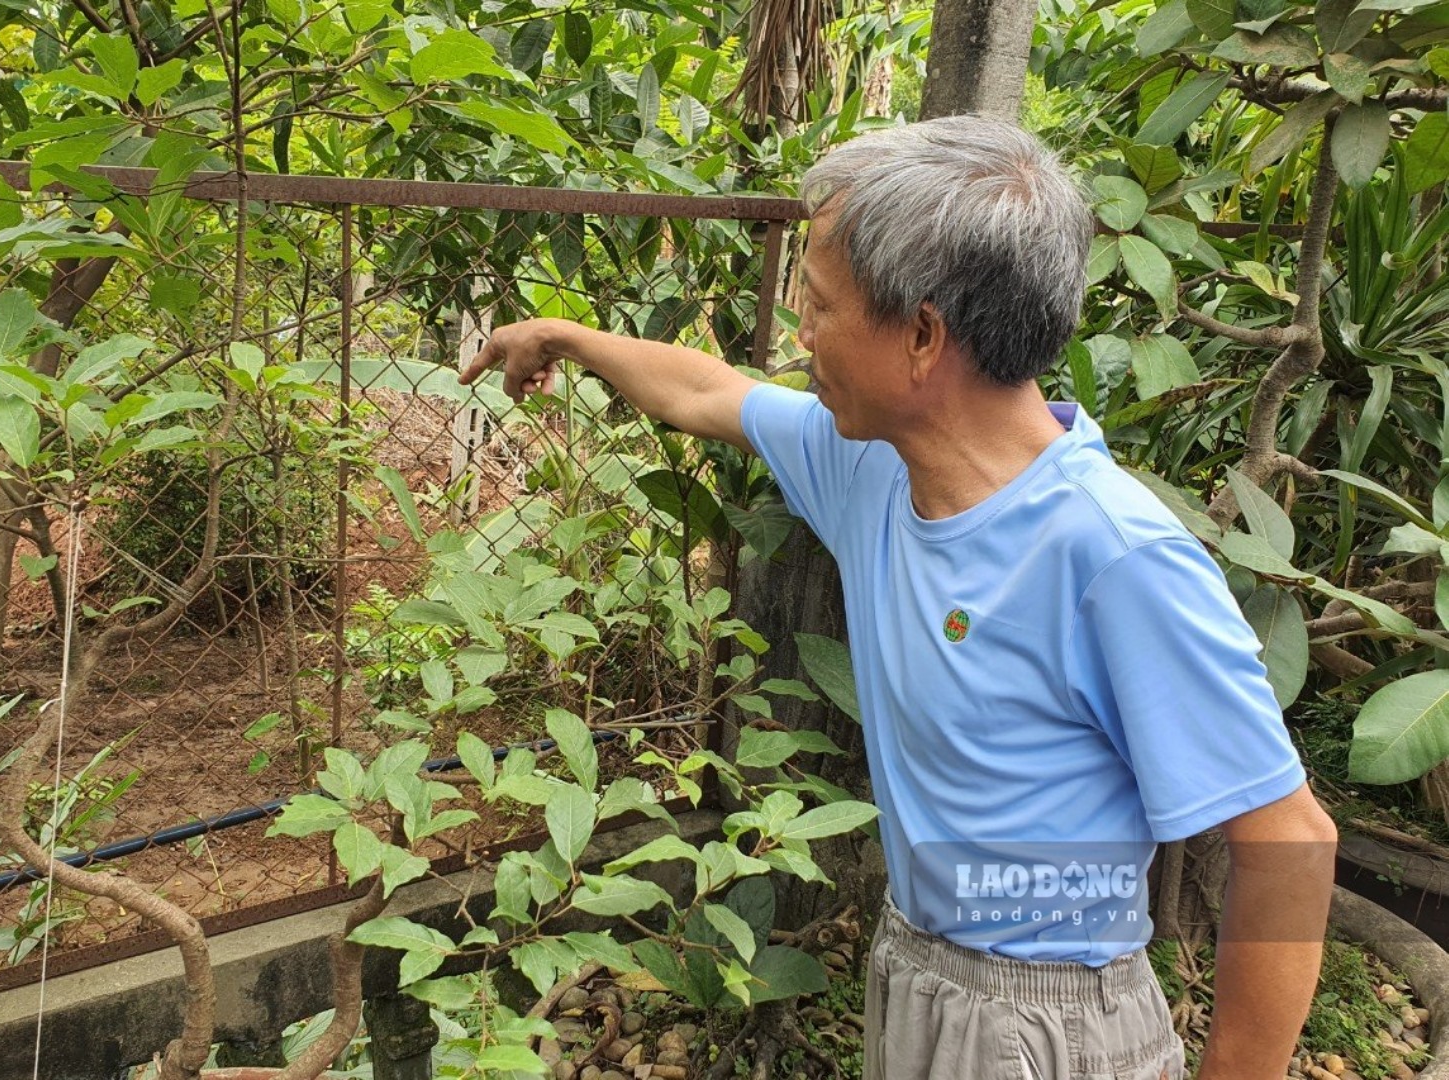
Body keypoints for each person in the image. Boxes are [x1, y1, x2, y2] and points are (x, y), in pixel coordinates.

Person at [460, 115, 1336, 1080]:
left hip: (1049, 1023)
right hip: (916, 966)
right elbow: (706, 393)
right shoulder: (871, 463)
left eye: (820, 306)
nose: (799, 334)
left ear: (921, 334)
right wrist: (565, 337)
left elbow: (1287, 843)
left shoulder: (1113, 554)